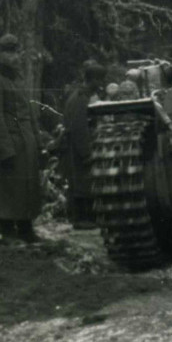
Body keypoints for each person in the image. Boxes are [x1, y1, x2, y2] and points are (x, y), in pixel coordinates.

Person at [0, 34, 41, 244]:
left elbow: (28, 112)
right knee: (6, 190)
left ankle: (25, 229)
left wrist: (35, 138)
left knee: (25, 188)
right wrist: (4, 149)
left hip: (25, 143)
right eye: (9, 52)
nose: (14, 57)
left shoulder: (16, 78)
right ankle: (7, 231)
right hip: (9, 143)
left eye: (16, 52)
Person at [61, 59, 106, 229]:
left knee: (82, 182)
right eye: (100, 80)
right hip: (78, 149)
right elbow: (78, 127)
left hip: (78, 147)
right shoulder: (80, 98)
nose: (101, 84)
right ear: (93, 80)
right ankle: (80, 220)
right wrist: (87, 153)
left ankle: (84, 218)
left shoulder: (81, 95)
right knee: (81, 183)